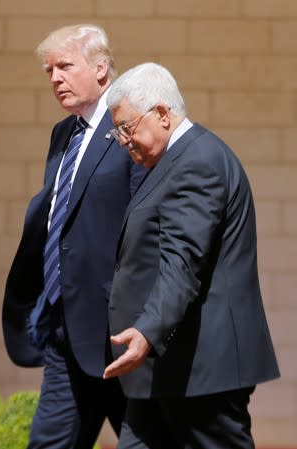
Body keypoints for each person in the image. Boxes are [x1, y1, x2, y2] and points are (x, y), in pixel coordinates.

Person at [103, 62, 280, 449]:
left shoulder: (198, 162)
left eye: (126, 128)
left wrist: (148, 330)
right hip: (166, 367)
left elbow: (182, 264)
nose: (122, 140)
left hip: (203, 371)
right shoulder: (173, 161)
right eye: (117, 132)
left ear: (162, 114)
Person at [2, 25, 146, 449]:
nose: (54, 78)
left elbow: (144, 224)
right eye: (49, 70)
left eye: (65, 66)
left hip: (122, 333)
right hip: (66, 331)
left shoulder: (129, 124)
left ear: (101, 69)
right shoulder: (62, 134)